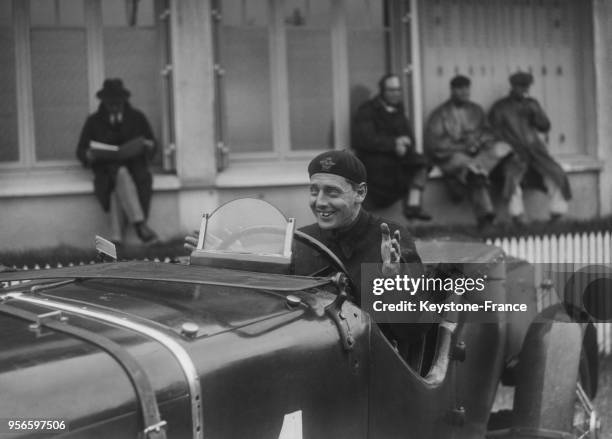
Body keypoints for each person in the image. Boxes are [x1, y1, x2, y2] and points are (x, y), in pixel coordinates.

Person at [424, 75, 521, 229]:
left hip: (479, 155)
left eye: (466, 89)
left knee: (502, 149)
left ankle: (476, 170)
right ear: (452, 90)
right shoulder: (440, 114)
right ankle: (486, 218)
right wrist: (463, 146)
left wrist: (478, 142)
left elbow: (489, 134)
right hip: (454, 157)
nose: (464, 93)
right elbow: (434, 145)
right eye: (460, 89)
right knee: (475, 174)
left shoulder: (476, 110)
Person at [76, 78, 159, 244]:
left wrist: (148, 145)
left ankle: (116, 239)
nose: (114, 106)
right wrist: (88, 155)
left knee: (116, 190)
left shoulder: (137, 118)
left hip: (135, 170)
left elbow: (152, 143)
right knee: (119, 174)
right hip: (106, 172)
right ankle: (140, 224)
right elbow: (80, 150)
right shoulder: (94, 121)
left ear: (124, 101)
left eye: (117, 102)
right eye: (110, 102)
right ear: (104, 102)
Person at [489, 72, 571, 223]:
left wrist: (535, 114)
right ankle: (517, 215)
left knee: (556, 173)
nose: (524, 90)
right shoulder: (500, 107)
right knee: (512, 178)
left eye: (526, 87)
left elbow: (545, 127)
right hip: (514, 152)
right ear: (513, 87)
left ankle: (557, 213)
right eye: (520, 87)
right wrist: (508, 147)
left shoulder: (532, 104)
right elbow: (493, 132)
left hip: (535, 151)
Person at [352, 74, 432, 221]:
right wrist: (394, 144)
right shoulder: (367, 110)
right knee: (387, 174)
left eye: (398, 90)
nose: (396, 94)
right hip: (374, 158)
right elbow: (365, 139)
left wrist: (405, 144)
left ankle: (413, 206)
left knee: (422, 162)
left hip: (397, 156)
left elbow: (409, 136)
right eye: (391, 90)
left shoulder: (399, 110)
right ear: (382, 91)